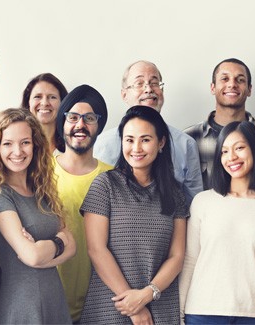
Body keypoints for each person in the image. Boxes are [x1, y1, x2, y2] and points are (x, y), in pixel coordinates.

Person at [81, 106, 187, 324]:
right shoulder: (105, 185)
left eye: (145, 139)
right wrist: (134, 307)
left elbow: (176, 256)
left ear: (161, 143)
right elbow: (96, 249)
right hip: (112, 305)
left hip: (159, 304)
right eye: (129, 140)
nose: (136, 148)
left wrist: (147, 294)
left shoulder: (174, 193)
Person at [0, 108, 75, 324]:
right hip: (21, 306)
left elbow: (73, 247)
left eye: (25, 142)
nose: (17, 151)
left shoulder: (42, 190)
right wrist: (59, 242)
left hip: (54, 299)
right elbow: (32, 256)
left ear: (35, 145)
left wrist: (48, 248)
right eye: (7, 143)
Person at [179, 121, 255, 324]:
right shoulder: (203, 202)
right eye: (224, 151)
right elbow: (190, 260)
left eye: (239, 148)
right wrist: (179, 313)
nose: (232, 157)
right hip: (203, 312)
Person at [94, 60, 202, 203]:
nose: (148, 89)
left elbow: (194, 203)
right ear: (124, 95)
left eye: (154, 83)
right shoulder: (103, 144)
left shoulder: (185, 144)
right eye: (139, 83)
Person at [53, 84, 113, 322]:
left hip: (98, 304)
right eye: (73, 117)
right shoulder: (38, 172)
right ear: (63, 123)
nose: (80, 125)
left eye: (89, 118)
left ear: (99, 126)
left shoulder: (113, 178)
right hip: (49, 301)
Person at [185, 58, 255, 190]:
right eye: (224, 79)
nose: (232, 84)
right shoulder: (189, 138)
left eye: (240, 80)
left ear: (249, 89)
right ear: (213, 87)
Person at [21, 72, 68, 152]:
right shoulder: (18, 147)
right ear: (28, 102)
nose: (44, 103)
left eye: (52, 97)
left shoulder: (72, 146)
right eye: (38, 97)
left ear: (62, 103)